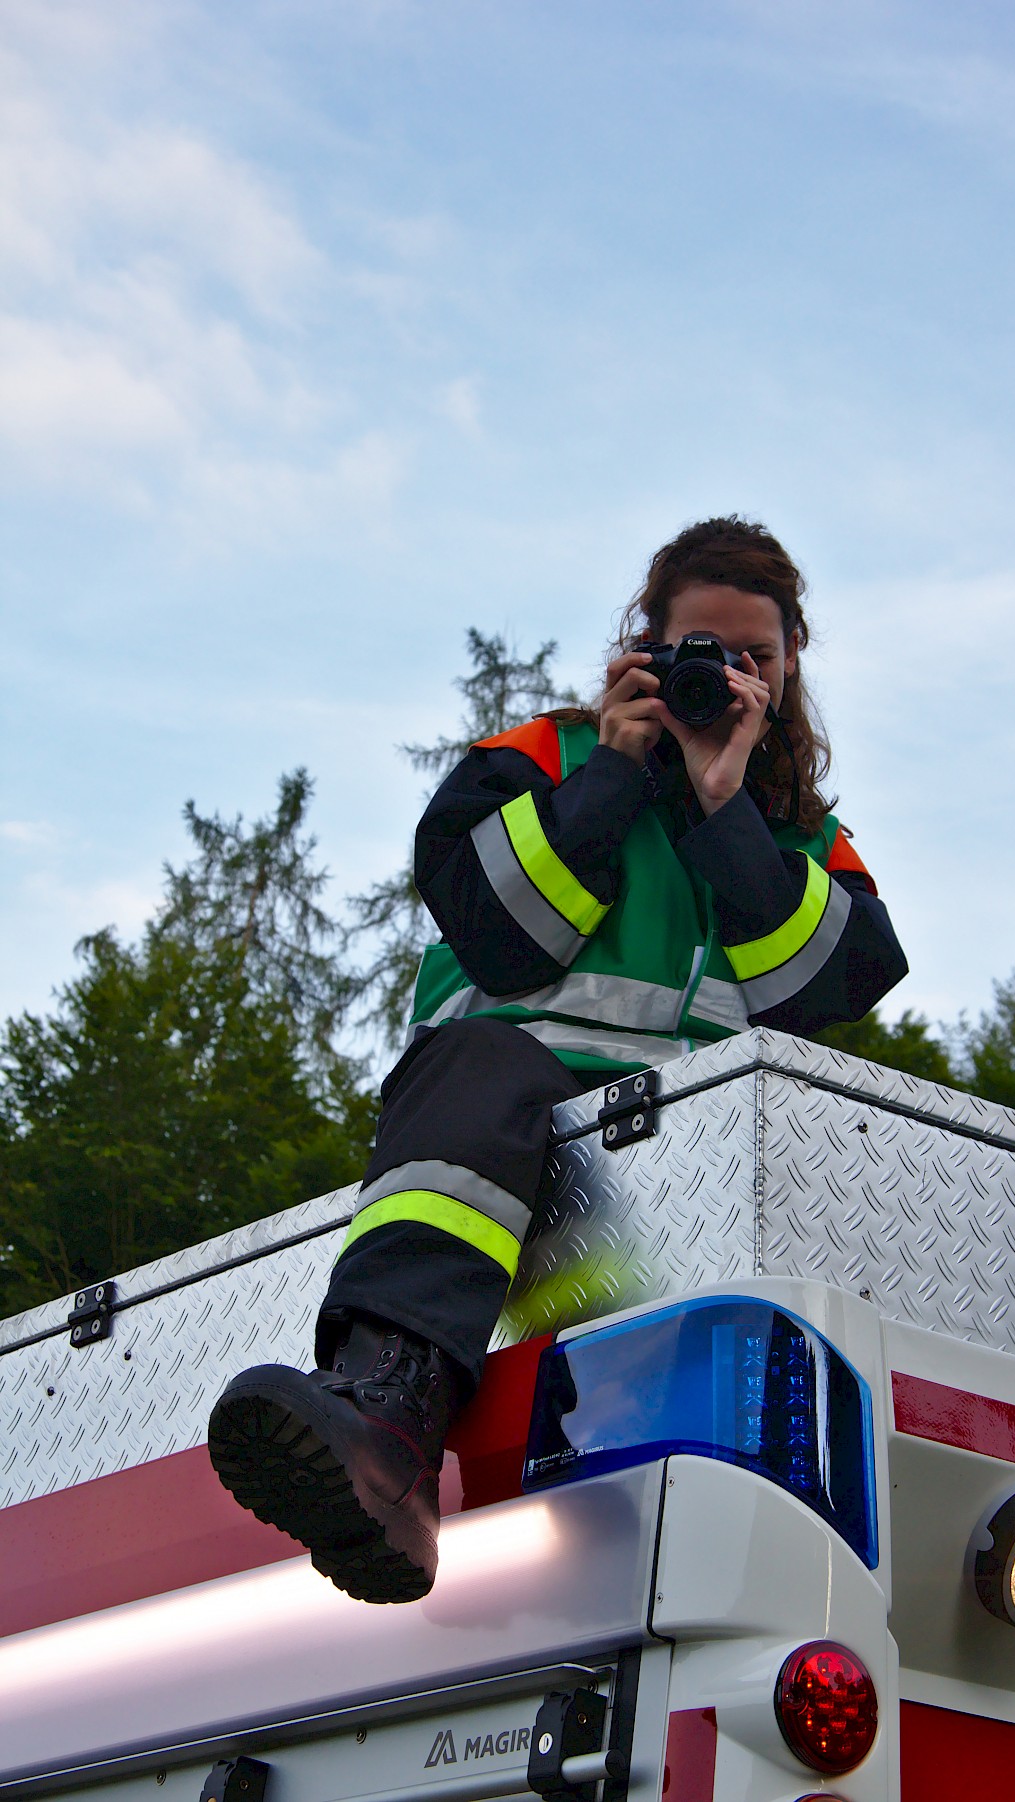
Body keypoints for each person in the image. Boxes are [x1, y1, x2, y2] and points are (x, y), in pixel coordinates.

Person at [208, 516, 907, 1604]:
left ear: (785, 674)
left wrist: (723, 807)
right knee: (482, 1061)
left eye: (752, 658)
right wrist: (618, 775)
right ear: (644, 648)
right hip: (504, 1139)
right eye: (699, 649)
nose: (723, 675)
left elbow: (824, 991)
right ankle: (385, 1428)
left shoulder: (801, 832)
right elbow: (496, 932)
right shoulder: (548, 757)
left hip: (687, 1186)